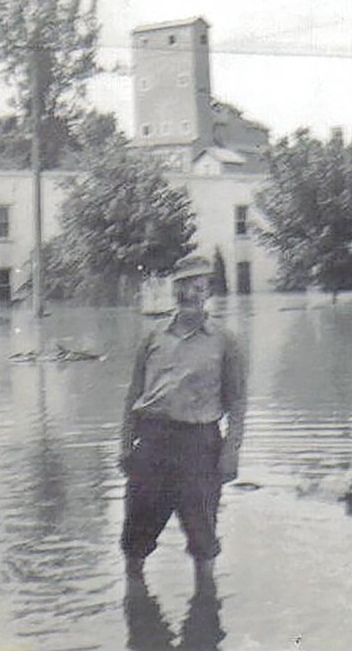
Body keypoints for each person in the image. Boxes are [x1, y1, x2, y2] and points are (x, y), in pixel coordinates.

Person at [119, 254, 247, 593]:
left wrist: (231, 453)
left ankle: (205, 615)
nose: (191, 293)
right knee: (135, 536)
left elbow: (237, 402)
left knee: (202, 536)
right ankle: (138, 615)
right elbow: (133, 393)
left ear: (207, 292)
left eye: (199, 286)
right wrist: (124, 446)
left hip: (199, 446)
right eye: (184, 285)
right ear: (175, 290)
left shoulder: (225, 341)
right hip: (151, 444)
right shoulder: (152, 337)